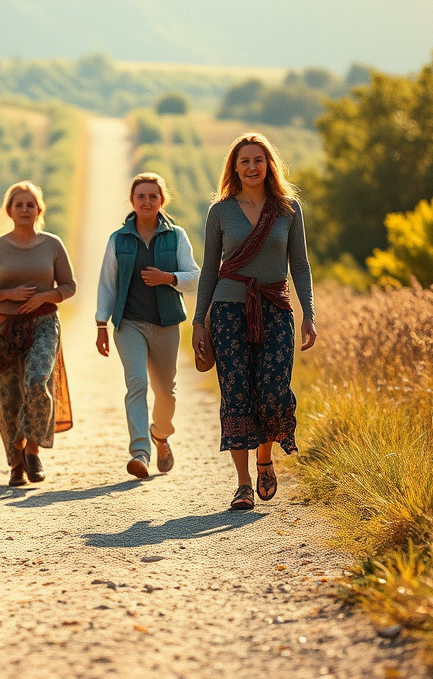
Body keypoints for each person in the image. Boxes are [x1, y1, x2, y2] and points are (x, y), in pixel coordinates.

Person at [191, 133, 317, 511]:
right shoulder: (221, 212)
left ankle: (266, 458)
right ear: (234, 167)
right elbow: (209, 269)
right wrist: (199, 322)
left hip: (276, 310)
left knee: (273, 391)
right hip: (228, 312)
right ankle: (243, 484)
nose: (251, 167)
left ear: (268, 165)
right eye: (244, 161)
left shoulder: (288, 209)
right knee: (237, 395)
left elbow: (301, 266)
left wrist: (308, 313)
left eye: (258, 160)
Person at [95, 173, 200, 479]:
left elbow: (194, 276)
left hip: (167, 324)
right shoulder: (118, 239)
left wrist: (167, 278)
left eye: (153, 196)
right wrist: (101, 324)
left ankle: (161, 435)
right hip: (129, 324)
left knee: (166, 392)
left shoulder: (176, 236)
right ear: (132, 200)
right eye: (141, 196)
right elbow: (107, 283)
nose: (146, 201)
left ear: (161, 200)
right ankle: (140, 451)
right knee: (137, 383)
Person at [0, 181, 76, 486]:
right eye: (18, 204)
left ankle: (32, 448)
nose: (24, 209)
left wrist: (42, 297)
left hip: (44, 323)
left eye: (30, 204)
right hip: (4, 329)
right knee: (8, 398)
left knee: (37, 381)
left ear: (39, 210)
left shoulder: (52, 244)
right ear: (9, 210)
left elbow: (69, 287)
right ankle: (15, 461)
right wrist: (10, 292)